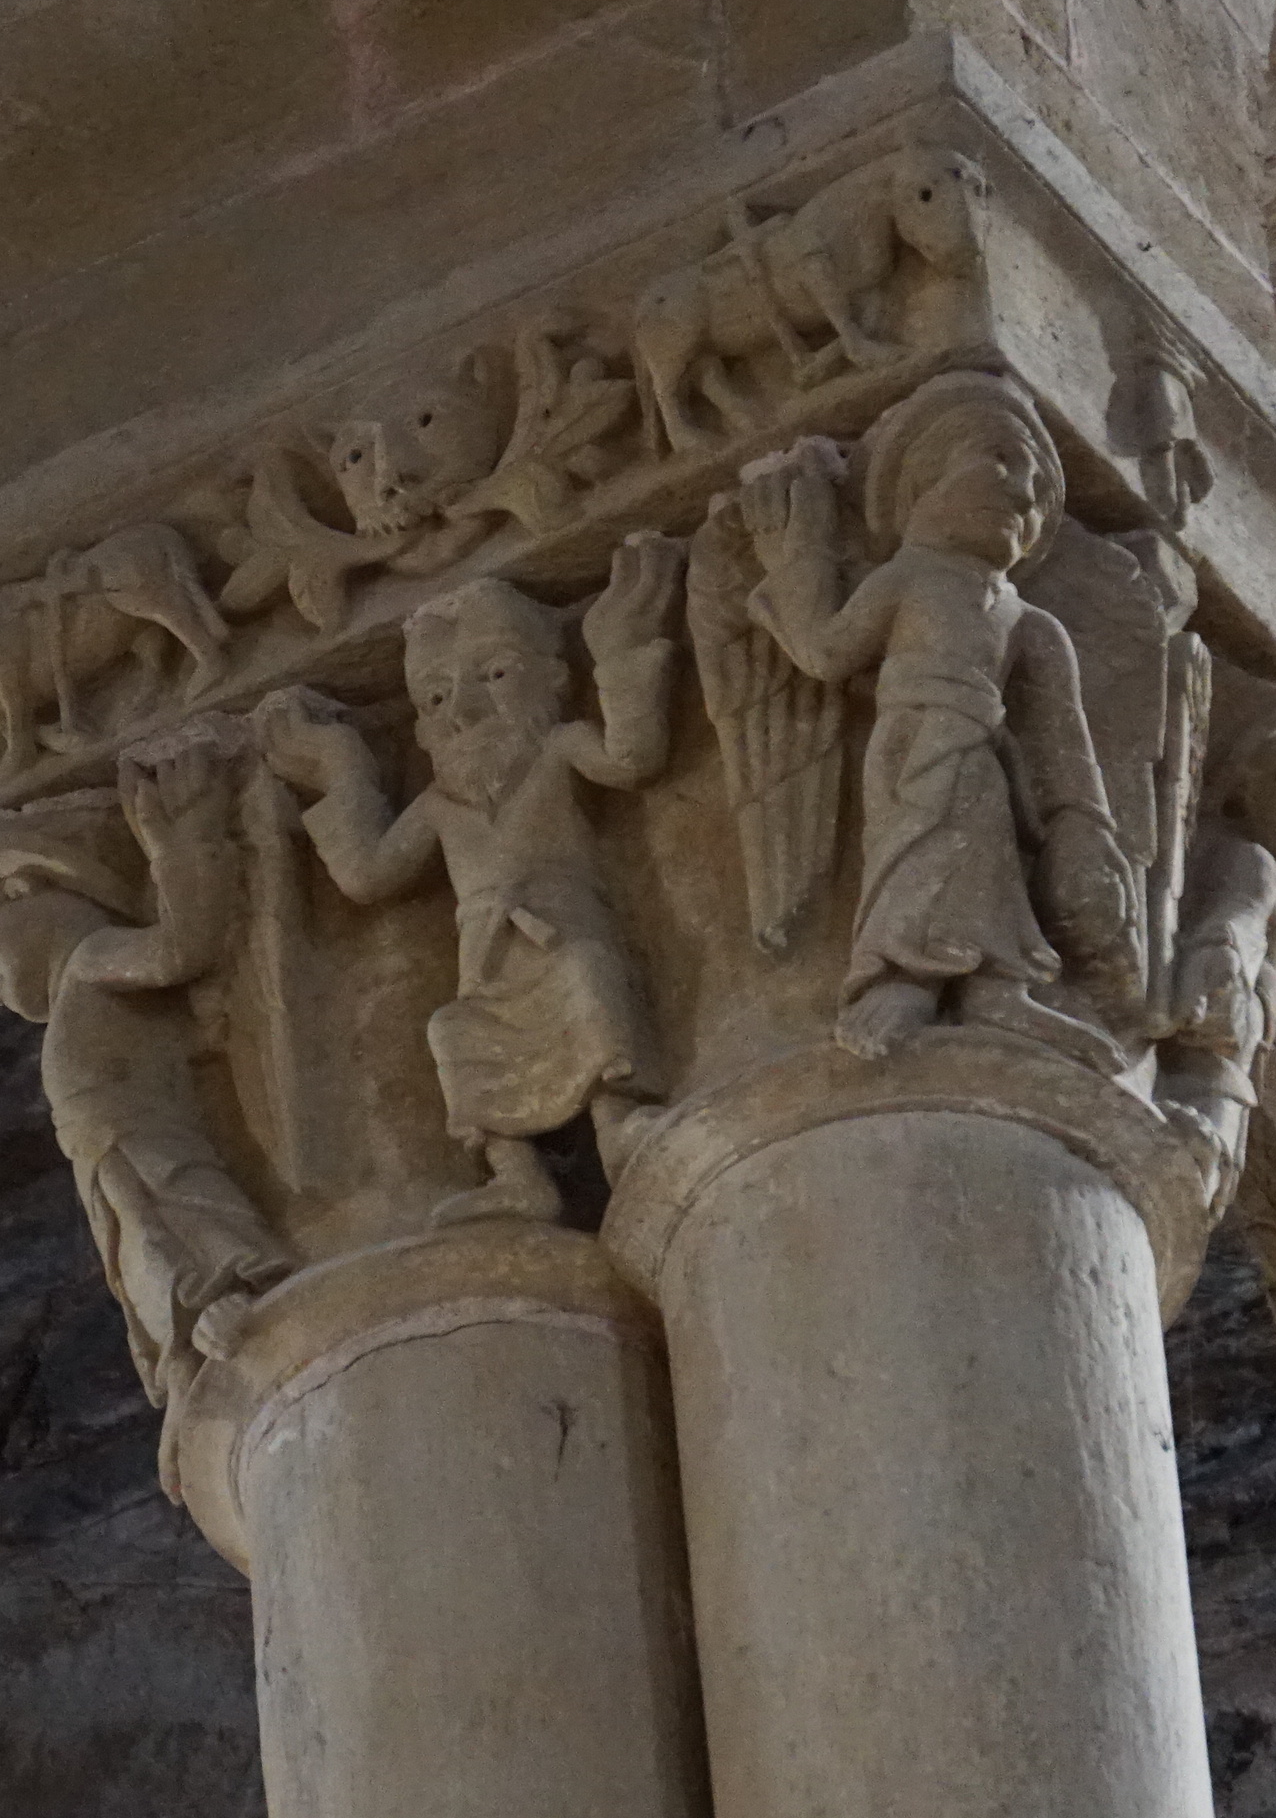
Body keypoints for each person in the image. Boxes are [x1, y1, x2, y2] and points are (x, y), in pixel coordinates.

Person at [256, 535, 685, 1221]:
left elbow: (632, 758)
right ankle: (518, 1174)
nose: (464, 710)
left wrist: (621, 645)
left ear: (552, 678)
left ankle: (617, 1124)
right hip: (484, 965)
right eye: (433, 697)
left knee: (588, 978)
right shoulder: (439, 806)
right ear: (421, 732)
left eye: (494, 674)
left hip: (559, 930)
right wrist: (340, 768)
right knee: (456, 1032)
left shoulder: (559, 748)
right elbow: (367, 874)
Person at [743, 374, 1136, 1060]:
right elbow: (828, 653)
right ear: (923, 481)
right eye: (1000, 460)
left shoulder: (1029, 620)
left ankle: (996, 990)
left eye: (1040, 491)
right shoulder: (907, 576)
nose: (1022, 494)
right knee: (915, 850)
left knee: (986, 856)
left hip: (982, 753)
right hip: (912, 742)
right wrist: (798, 554)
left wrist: (1086, 827)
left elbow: (1064, 737)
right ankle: (902, 976)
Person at [0, 737, 289, 1400]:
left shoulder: (93, 957)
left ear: (42, 902)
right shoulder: (82, 974)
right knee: (140, 1247)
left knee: (185, 1207)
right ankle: (185, 1349)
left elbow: (178, 949)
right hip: (110, 1155)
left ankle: (239, 1296)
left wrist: (183, 845)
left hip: (144, 1140)